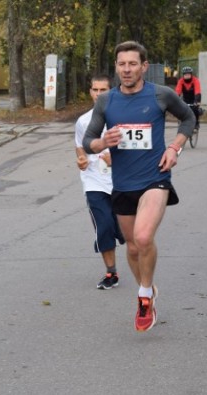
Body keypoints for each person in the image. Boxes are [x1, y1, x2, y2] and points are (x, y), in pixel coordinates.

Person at [82, 41, 195, 332]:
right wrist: (101, 143)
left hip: (155, 179)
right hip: (122, 184)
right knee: (132, 249)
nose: (127, 69)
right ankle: (149, 288)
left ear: (144, 66)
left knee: (143, 238)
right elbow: (88, 141)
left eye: (133, 64)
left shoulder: (160, 95)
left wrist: (174, 148)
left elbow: (188, 117)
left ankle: (144, 296)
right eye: (122, 64)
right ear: (117, 67)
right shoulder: (106, 101)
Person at [74, 75, 125, 290]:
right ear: (90, 92)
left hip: (121, 182)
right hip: (94, 181)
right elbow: (79, 149)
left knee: (124, 230)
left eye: (103, 89)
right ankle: (111, 273)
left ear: (111, 91)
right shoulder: (83, 121)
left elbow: (136, 150)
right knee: (103, 225)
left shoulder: (121, 119)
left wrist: (116, 159)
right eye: (95, 89)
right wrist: (82, 161)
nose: (98, 94)